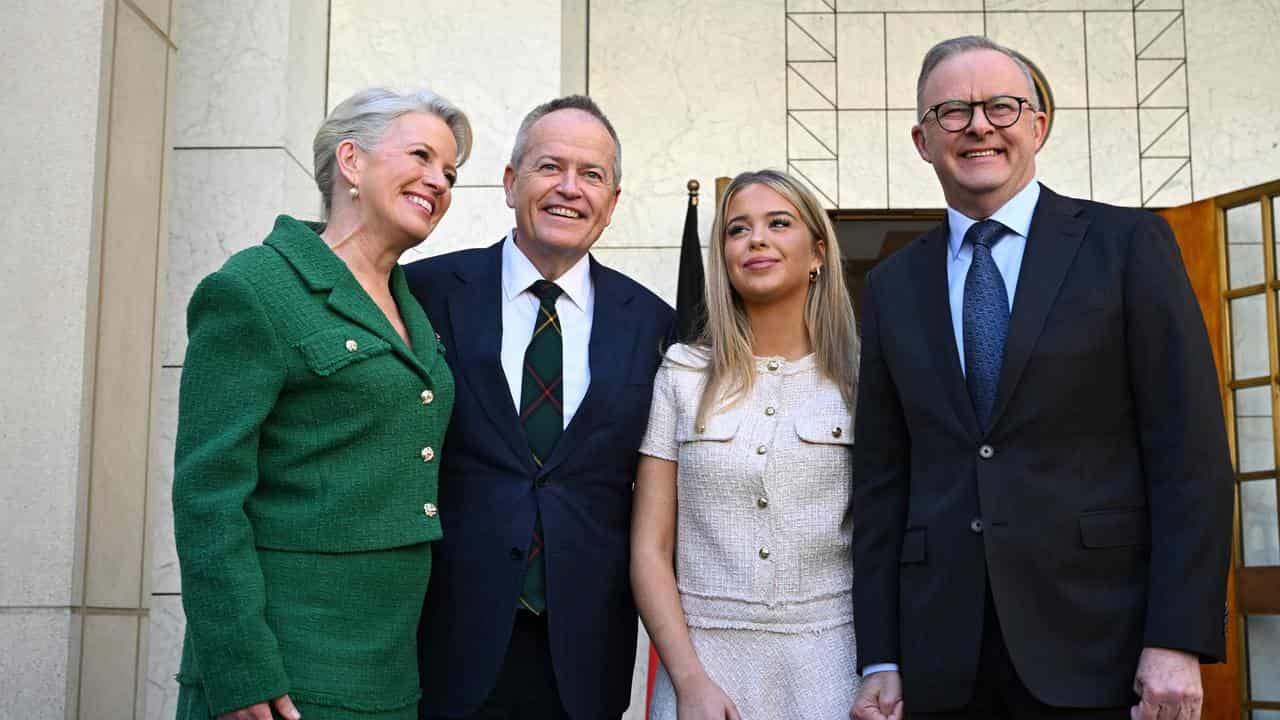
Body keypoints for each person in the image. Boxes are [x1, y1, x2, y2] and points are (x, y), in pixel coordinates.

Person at [849, 36, 1233, 720]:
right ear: (922, 138)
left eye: (1002, 106)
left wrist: (1177, 639)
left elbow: (1190, 458)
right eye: (953, 111)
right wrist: (881, 655)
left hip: (1100, 645)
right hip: (942, 657)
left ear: (1037, 125)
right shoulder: (890, 286)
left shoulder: (1128, 247)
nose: (979, 126)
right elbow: (883, 481)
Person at [171, 87, 471, 720]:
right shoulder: (254, 288)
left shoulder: (410, 302)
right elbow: (207, 497)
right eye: (420, 155)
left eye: (449, 172)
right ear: (352, 161)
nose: (439, 181)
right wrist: (238, 667)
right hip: (286, 661)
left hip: (388, 663)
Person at [404, 95, 674, 720]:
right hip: (440, 639)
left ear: (611, 203)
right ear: (509, 182)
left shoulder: (657, 326)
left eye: (593, 175)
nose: (570, 189)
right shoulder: (425, 293)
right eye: (551, 167)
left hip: (582, 654)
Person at [632, 169, 861, 720]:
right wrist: (690, 684)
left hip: (835, 666)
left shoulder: (864, 382)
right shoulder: (682, 374)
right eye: (737, 229)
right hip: (706, 672)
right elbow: (649, 551)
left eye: (778, 223)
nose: (755, 239)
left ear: (818, 253)